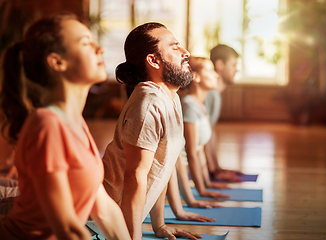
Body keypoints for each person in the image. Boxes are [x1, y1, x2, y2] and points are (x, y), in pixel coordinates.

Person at [0, 13, 131, 240]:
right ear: (57, 62)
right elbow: (66, 227)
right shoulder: (46, 124)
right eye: (85, 43)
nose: (99, 48)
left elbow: (105, 210)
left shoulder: (76, 122)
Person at [102, 22, 204, 240]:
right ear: (153, 60)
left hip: (114, 222)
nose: (186, 53)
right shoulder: (148, 104)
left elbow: (161, 167)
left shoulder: (170, 96)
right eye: (175, 48)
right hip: (95, 224)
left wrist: (159, 225)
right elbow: (135, 177)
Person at [181, 57, 230, 199]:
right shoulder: (189, 106)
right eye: (210, 70)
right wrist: (201, 191)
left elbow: (199, 149)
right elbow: (191, 154)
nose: (216, 75)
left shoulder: (200, 104)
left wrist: (207, 183)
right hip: (175, 173)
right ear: (195, 77)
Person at [204, 44, 244, 182]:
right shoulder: (209, 93)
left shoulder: (215, 94)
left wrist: (217, 168)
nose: (236, 69)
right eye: (233, 65)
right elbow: (201, 134)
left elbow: (210, 131)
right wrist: (213, 172)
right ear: (220, 64)